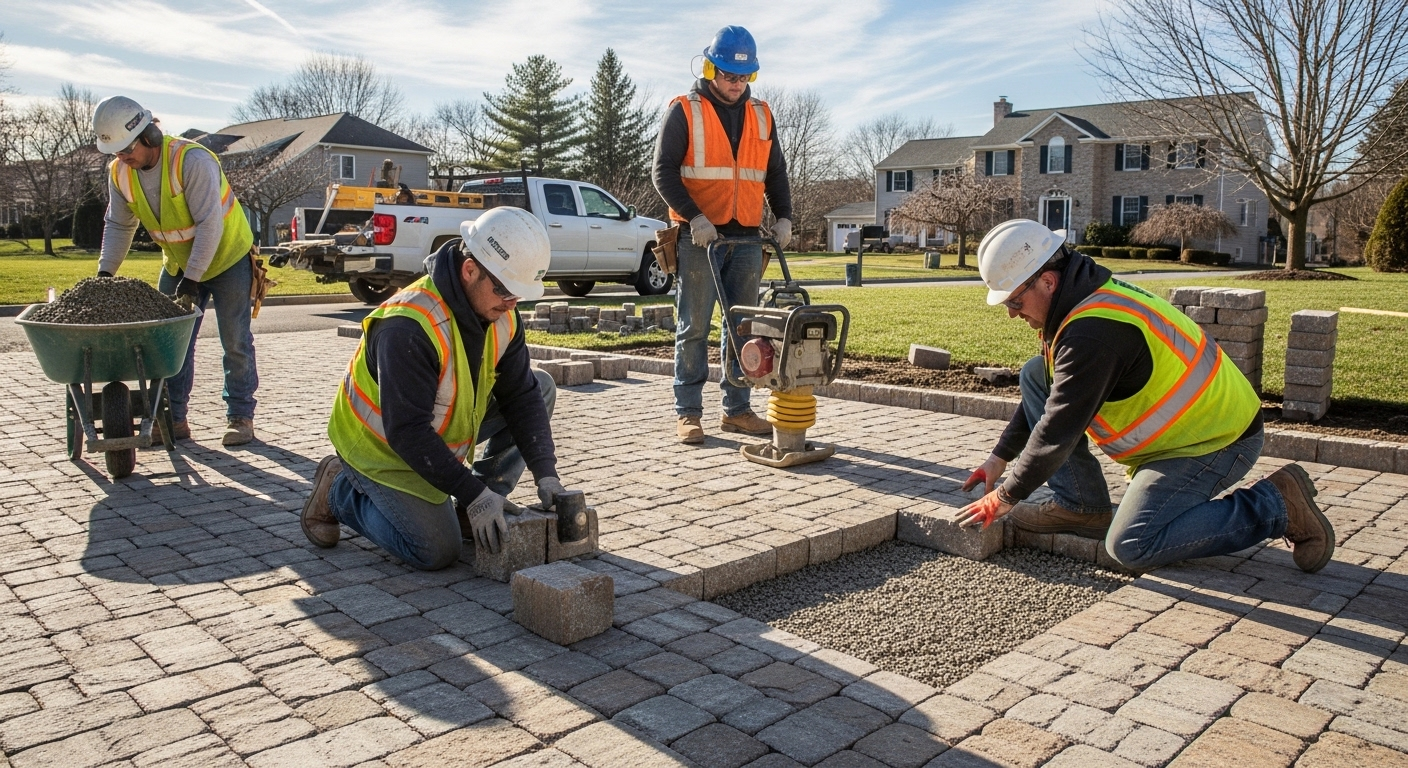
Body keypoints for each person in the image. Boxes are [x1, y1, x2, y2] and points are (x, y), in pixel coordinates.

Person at [954, 219, 1335, 573]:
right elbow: (1053, 392)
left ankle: (1275, 505)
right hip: (1189, 432)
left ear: (1048, 282)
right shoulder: (1082, 299)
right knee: (1036, 374)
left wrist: (1004, 497)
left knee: (1132, 544)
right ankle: (1081, 508)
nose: (1012, 314)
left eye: (1014, 302)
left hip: (1215, 440)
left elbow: (1058, 428)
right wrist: (998, 459)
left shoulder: (1093, 333)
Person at [301, 206, 572, 570]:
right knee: (435, 550)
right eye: (505, 290)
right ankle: (339, 491)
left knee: (540, 387)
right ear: (470, 269)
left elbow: (521, 395)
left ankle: (474, 506)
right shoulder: (408, 325)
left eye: (518, 295)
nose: (512, 303)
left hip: (428, 434)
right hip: (379, 449)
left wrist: (546, 473)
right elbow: (407, 430)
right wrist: (473, 492)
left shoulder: (501, 313)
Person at [653, 25, 794, 444]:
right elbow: (662, 172)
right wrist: (695, 217)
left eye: (744, 77)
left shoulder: (762, 114)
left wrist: (784, 216)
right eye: (729, 76)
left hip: (748, 238)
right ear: (710, 67)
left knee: (743, 327)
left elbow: (775, 172)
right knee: (693, 325)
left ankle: (736, 410)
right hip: (699, 238)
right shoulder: (685, 109)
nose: (736, 85)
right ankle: (688, 412)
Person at [93, 95, 259, 447]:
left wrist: (193, 281)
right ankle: (174, 420)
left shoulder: (192, 161)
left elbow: (209, 225)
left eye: (127, 149)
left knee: (235, 342)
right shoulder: (120, 173)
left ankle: (240, 417)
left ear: (149, 136)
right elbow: (119, 226)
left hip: (228, 258)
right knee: (171, 345)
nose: (122, 157)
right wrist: (105, 275)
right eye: (116, 152)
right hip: (180, 263)